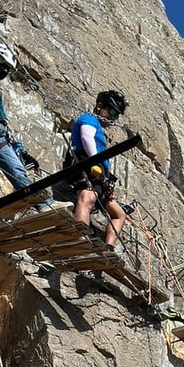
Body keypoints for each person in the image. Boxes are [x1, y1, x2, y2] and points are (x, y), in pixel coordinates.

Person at [0, 44, 53, 210]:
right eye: (4, 66)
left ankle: (42, 203)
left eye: (8, 68)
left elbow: (3, 122)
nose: (6, 72)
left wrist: (21, 150)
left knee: (16, 167)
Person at [69, 90, 129, 249]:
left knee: (119, 214)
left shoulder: (98, 126)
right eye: (112, 112)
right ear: (99, 106)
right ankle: (80, 239)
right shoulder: (89, 118)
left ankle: (108, 247)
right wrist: (94, 161)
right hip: (86, 162)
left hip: (100, 172)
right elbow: (86, 137)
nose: (113, 118)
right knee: (87, 197)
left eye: (116, 115)